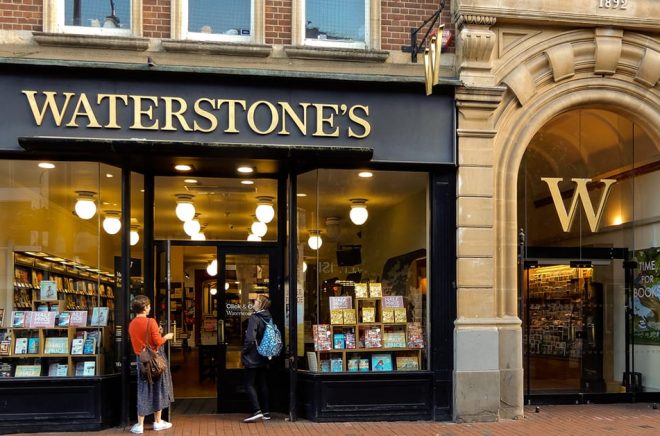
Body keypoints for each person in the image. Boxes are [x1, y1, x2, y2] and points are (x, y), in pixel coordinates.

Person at [128, 295, 174, 434]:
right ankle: (158, 422)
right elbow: (157, 342)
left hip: (141, 360)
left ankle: (140, 424)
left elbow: (140, 341)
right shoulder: (151, 321)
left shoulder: (132, 324)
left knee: (143, 389)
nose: (149, 308)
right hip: (155, 360)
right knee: (158, 389)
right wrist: (166, 336)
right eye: (148, 306)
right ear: (145, 307)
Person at [241, 294, 273, 422]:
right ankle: (266, 411)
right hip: (263, 354)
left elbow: (249, 338)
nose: (254, 302)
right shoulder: (268, 316)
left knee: (248, 383)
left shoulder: (255, 318)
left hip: (253, 355)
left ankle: (256, 410)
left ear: (261, 304)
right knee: (262, 383)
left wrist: (244, 352)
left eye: (257, 300)